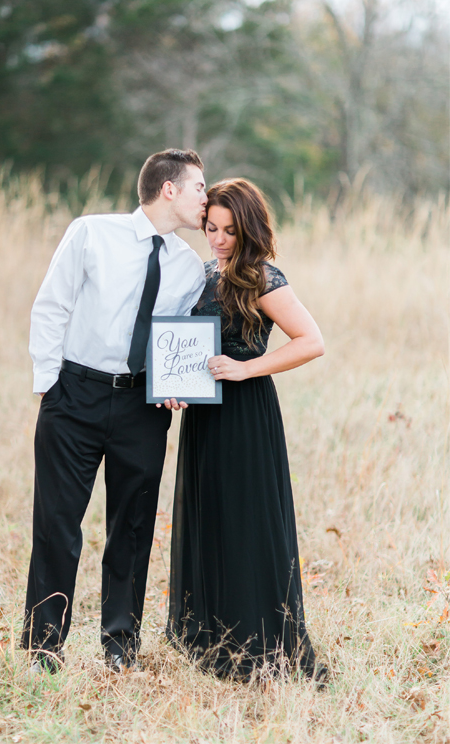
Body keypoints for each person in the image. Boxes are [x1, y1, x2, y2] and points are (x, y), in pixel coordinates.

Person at [23, 149, 208, 672]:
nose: (205, 196)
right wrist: (48, 385)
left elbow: (178, 343)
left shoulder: (189, 267)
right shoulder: (90, 233)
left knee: (132, 525)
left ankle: (120, 644)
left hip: (143, 406)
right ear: (168, 189)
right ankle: (44, 648)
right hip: (74, 394)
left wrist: (179, 384)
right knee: (57, 522)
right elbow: (52, 304)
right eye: (199, 186)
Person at [167, 178, 328, 685]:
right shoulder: (202, 273)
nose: (217, 238)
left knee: (245, 520)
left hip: (246, 413)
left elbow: (311, 341)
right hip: (204, 416)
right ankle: (211, 636)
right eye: (210, 227)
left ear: (249, 228)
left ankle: (258, 643)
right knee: (208, 515)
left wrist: (245, 369)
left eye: (229, 230)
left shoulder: (262, 276)